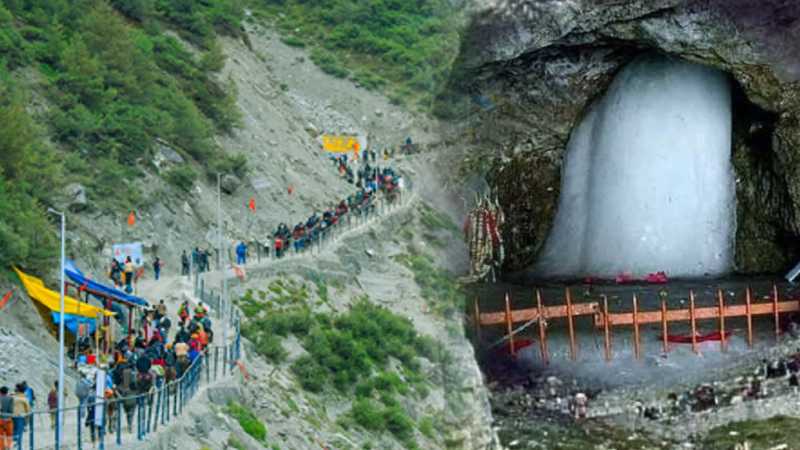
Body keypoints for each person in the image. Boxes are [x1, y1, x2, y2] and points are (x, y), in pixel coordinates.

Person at [11, 384, 30, 448]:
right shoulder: (24, 398)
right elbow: (28, 409)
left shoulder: (12, 397)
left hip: (11, 416)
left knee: (13, 430)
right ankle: (18, 445)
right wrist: (27, 420)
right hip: (20, 417)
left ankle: (13, 443)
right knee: (19, 432)